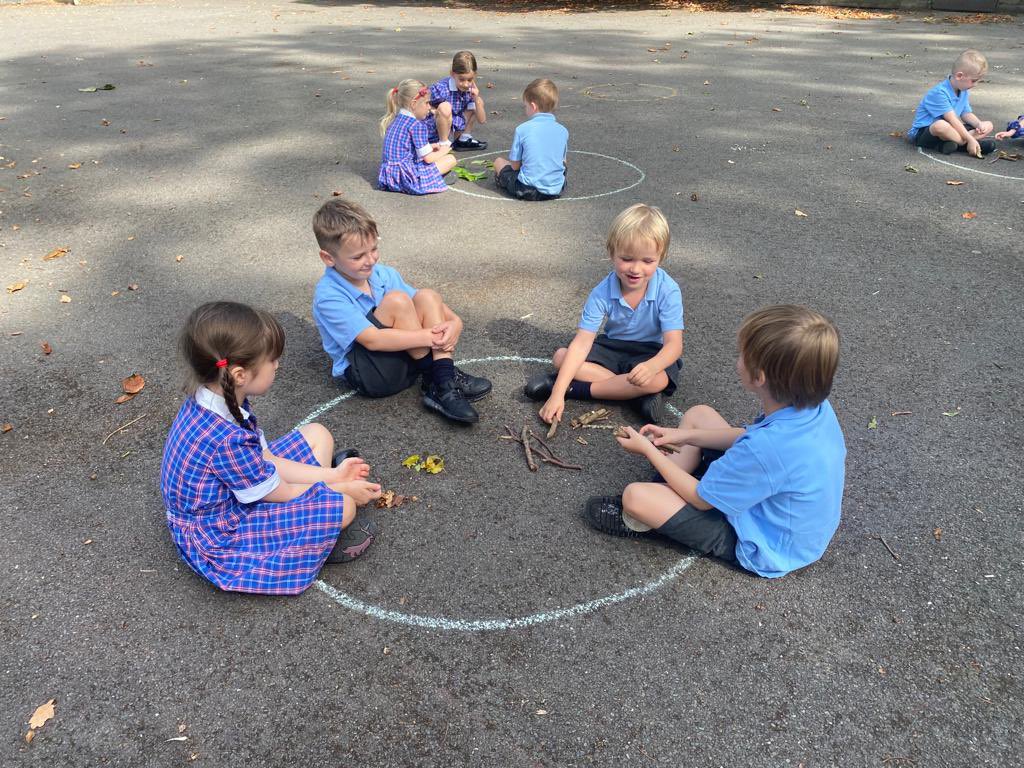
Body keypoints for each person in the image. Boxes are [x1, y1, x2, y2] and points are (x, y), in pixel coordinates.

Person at [587, 305, 846, 579]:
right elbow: (749, 437)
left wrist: (650, 452)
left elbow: (701, 500)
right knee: (699, 415)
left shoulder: (767, 449)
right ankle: (667, 495)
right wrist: (684, 436)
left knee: (635, 497)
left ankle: (651, 517)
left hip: (767, 545)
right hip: (791, 522)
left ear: (760, 377)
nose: (738, 360)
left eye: (742, 355)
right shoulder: (812, 407)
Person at [161, 302, 382, 596]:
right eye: (272, 360)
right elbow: (282, 492)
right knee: (343, 506)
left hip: (243, 489)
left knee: (318, 434)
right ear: (239, 375)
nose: (277, 365)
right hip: (220, 535)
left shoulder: (217, 397)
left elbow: (266, 459)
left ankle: (315, 522)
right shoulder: (226, 438)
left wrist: (333, 474)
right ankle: (306, 546)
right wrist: (339, 488)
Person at [312, 198, 492, 423]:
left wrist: (456, 322)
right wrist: (431, 337)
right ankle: (436, 378)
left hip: (403, 358)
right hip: (371, 374)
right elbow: (372, 340)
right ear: (328, 258)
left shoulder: (381, 273)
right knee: (397, 301)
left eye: (374, 249)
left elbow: (425, 302)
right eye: (358, 256)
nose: (370, 260)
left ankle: (443, 380)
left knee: (427, 295)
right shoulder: (328, 295)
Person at [525, 203, 683, 425]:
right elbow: (581, 343)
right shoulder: (602, 292)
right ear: (611, 253)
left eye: (647, 261)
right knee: (562, 357)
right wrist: (556, 395)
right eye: (627, 259)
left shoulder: (668, 290)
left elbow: (674, 346)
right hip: (612, 347)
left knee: (658, 379)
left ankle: (577, 389)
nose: (636, 269)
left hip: (649, 352)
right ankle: (636, 398)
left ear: (661, 257)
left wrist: (652, 366)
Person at [907, 49, 995, 157]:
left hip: (951, 131)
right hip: (924, 133)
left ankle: (951, 144)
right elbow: (952, 119)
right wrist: (970, 139)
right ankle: (966, 144)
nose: (976, 84)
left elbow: (966, 114)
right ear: (959, 76)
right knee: (940, 125)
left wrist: (978, 124)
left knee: (988, 125)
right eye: (974, 80)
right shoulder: (939, 93)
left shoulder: (963, 90)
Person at [492, 78, 569, 202]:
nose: (525, 109)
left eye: (525, 106)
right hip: (556, 189)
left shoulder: (522, 129)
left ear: (533, 106)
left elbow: (515, 166)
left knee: (499, 162)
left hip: (527, 189)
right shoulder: (563, 130)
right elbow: (564, 162)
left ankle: (503, 182)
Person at [378, 79, 456, 195]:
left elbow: (407, 147)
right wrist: (444, 150)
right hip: (407, 178)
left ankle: (434, 176)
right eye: (427, 103)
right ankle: (433, 179)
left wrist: (431, 146)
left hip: (389, 176)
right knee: (450, 159)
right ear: (414, 104)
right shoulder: (417, 125)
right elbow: (428, 158)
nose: (429, 107)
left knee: (435, 157)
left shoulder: (396, 119)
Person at [429, 50, 487, 151]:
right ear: (452, 74)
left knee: (478, 103)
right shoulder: (442, 88)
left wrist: (476, 98)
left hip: (454, 120)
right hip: (435, 127)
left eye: (469, 80)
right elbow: (424, 106)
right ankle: (443, 143)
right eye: (461, 79)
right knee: (445, 107)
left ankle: (462, 139)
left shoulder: (470, 90)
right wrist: (435, 112)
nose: (465, 84)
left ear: (475, 75)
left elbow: (482, 120)